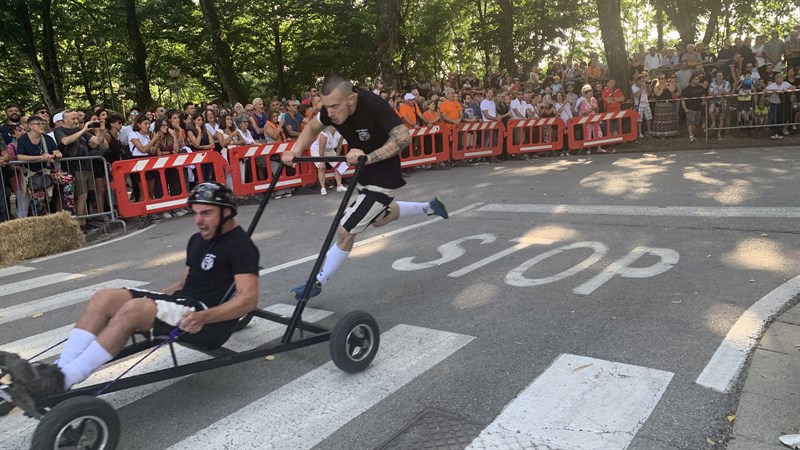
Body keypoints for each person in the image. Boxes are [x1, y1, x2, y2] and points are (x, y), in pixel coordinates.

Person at [0, 182, 259, 402]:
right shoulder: (197, 240)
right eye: (195, 213)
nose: (199, 220)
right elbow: (185, 282)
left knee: (133, 310)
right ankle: (57, 372)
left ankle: (64, 379)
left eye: (207, 213)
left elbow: (248, 299)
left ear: (226, 213)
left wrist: (205, 316)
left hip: (205, 323)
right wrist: (155, 299)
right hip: (182, 304)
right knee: (106, 296)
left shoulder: (241, 246)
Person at [280, 74, 449, 301]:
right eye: (326, 107)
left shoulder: (373, 105)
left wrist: (368, 157)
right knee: (380, 219)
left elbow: (403, 137)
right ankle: (430, 207)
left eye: (335, 107)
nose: (330, 114)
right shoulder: (332, 109)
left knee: (345, 230)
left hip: (383, 178)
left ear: (351, 99)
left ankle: (317, 282)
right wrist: (296, 150)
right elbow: (312, 126)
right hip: (364, 173)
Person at [310, 125, 346, 195]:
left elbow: (339, 146)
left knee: (339, 165)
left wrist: (337, 157)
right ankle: (323, 188)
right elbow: (321, 149)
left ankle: (339, 186)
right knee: (322, 167)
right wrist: (322, 161)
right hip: (317, 150)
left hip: (329, 150)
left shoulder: (340, 133)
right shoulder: (324, 134)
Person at [682, 74, 706, 143]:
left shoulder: (700, 87)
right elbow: (683, 99)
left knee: (695, 123)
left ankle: (693, 135)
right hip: (690, 108)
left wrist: (703, 100)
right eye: (696, 79)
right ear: (692, 80)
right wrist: (685, 108)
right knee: (690, 123)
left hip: (698, 108)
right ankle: (690, 136)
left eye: (698, 79)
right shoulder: (687, 89)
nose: (697, 80)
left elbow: (703, 94)